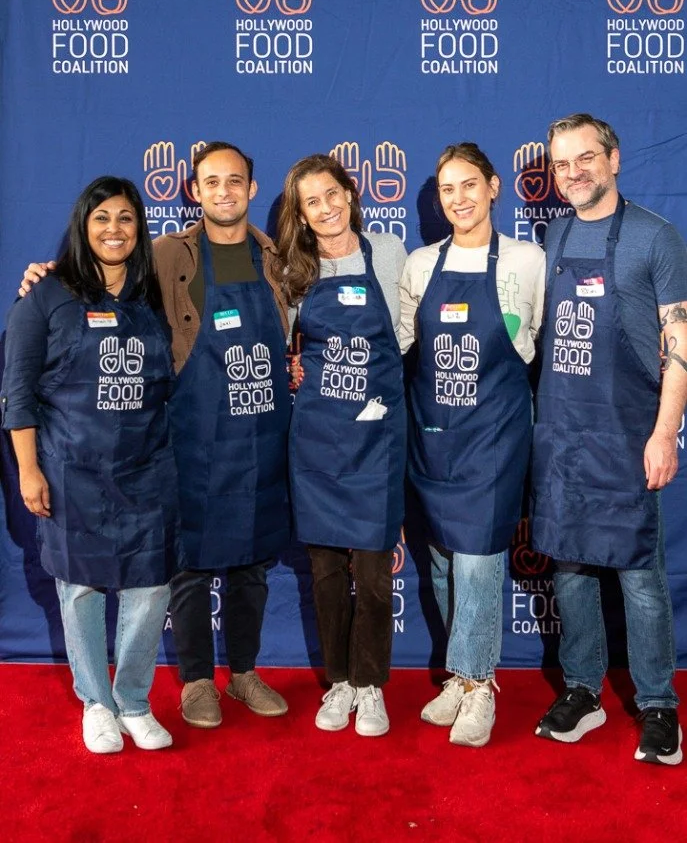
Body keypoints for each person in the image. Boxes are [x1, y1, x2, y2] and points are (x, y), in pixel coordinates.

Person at [19, 142, 292, 730]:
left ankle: (243, 671)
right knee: (187, 562)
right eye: (211, 181)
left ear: (251, 187)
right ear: (194, 191)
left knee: (252, 565)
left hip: (262, 434)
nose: (224, 191)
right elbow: (98, 283)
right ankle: (197, 681)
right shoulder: (167, 254)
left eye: (235, 181)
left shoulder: (275, 256)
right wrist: (44, 278)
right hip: (190, 435)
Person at [2, 177, 184, 754]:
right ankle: (96, 704)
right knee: (80, 589)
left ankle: (133, 699)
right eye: (101, 217)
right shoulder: (46, 294)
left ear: (139, 228)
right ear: (83, 225)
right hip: (71, 471)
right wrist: (29, 471)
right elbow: (18, 393)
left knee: (151, 590)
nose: (114, 229)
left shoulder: (151, 294)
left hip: (148, 467)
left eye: (126, 218)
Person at [530, 113, 687, 767]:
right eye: (562, 164)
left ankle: (656, 705)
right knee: (568, 569)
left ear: (613, 158)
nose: (574, 173)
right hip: (563, 434)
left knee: (638, 577)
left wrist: (663, 433)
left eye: (585, 158)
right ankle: (582, 690)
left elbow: (678, 345)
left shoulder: (655, 238)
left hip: (626, 434)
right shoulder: (556, 234)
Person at [400, 142, 545, 747]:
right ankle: (459, 679)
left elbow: (536, 346)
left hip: (494, 435)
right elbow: (406, 347)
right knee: (440, 557)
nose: (457, 199)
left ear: (492, 187)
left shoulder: (526, 260)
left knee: (480, 558)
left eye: (468, 185)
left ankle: (481, 682)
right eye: (446, 190)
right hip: (433, 435)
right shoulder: (418, 264)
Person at [278, 154, 407, 736]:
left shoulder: (388, 253)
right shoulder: (292, 271)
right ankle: (338, 682)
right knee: (327, 573)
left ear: (350, 194)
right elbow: (281, 343)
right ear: (301, 216)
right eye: (312, 202)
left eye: (333, 194)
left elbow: (406, 335)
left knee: (376, 576)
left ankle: (371, 685)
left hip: (377, 439)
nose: (326, 208)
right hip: (319, 440)